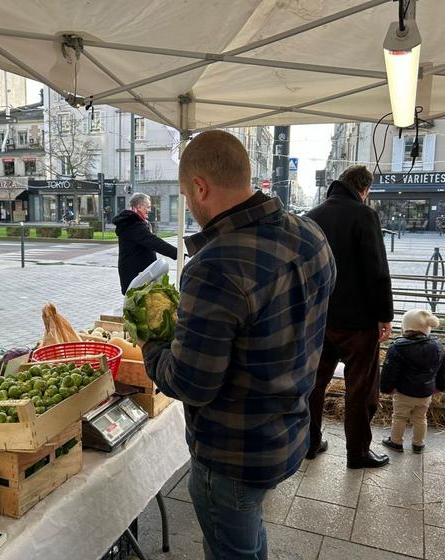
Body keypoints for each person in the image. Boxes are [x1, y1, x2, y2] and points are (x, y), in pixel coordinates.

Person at [140, 130, 336, 560]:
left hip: (234, 455)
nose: (189, 206)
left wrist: (151, 344)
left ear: (200, 187)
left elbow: (192, 384)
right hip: (290, 432)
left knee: (234, 548)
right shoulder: (312, 236)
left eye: (186, 195)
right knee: (247, 535)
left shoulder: (214, 266)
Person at [306, 165, 394, 469]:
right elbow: (377, 270)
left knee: (314, 385)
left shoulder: (312, 216)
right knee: (360, 389)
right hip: (358, 324)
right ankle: (357, 453)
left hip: (319, 320)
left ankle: (310, 442)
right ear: (364, 189)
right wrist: (385, 315)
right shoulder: (365, 215)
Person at [380, 309, 445, 454]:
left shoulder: (398, 347)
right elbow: (442, 369)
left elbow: (389, 370)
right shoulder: (438, 346)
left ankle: (396, 442)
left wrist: (387, 388)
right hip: (425, 393)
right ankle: (418, 444)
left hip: (403, 392)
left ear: (406, 327)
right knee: (420, 418)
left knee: (399, 417)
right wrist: (440, 386)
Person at [113, 193, 178, 294]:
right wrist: (177, 253)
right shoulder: (132, 224)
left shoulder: (136, 222)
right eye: (148, 207)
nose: (149, 210)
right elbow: (153, 241)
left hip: (142, 274)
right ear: (139, 206)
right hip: (135, 274)